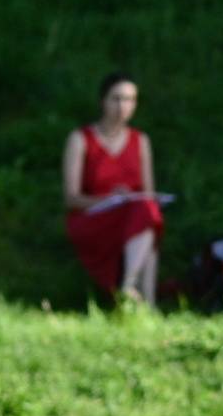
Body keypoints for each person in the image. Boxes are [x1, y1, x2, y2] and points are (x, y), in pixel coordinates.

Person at [62, 73, 166, 304]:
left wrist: (131, 200)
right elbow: (71, 199)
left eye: (130, 100)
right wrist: (109, 199)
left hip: (132, 216)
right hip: (93, 217)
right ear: (102, 101)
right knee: (147, 217)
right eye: (116, 99)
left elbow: (149, 193)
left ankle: (142, 300)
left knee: (148, 213)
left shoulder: (140, 141)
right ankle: (131, 288)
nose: (123, 106)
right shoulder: (80, 139)